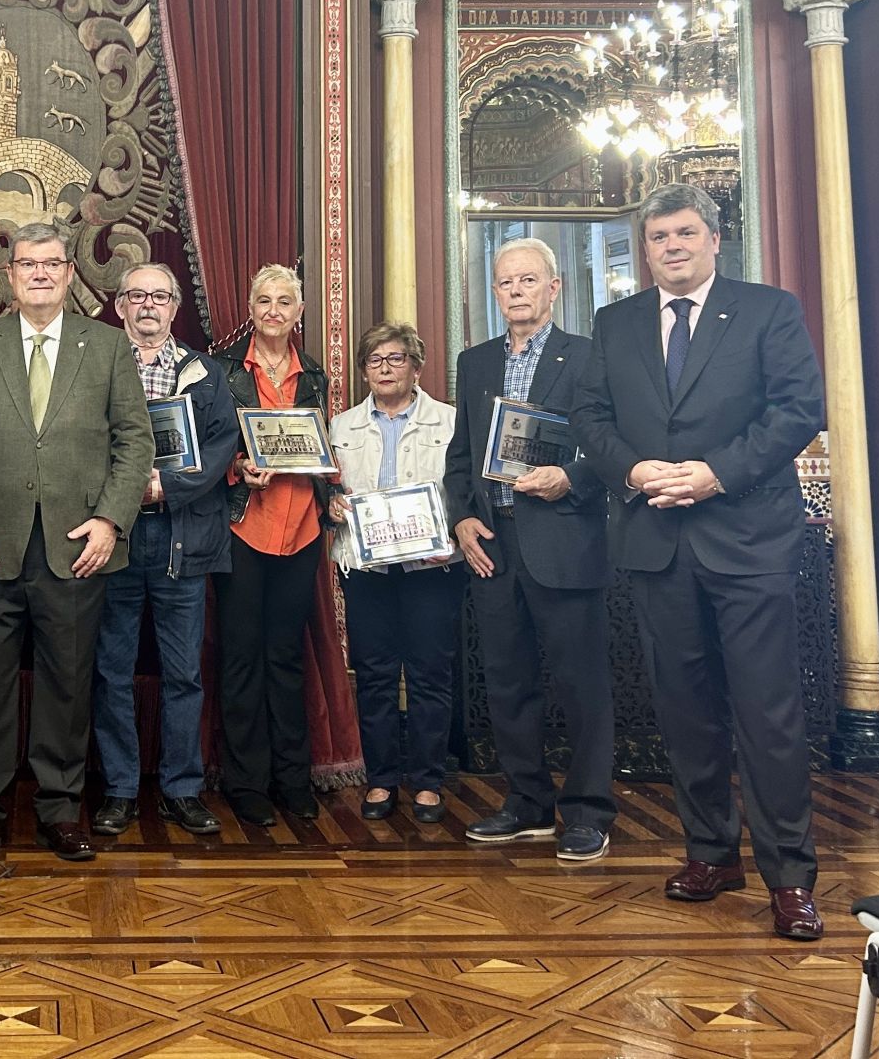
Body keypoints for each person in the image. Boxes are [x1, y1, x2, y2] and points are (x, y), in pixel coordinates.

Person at [572, 182, 826, 940]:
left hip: (747, 538)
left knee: (767, 713)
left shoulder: (768, 309)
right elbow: (590, 416)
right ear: (644, 249)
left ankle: (789, 877)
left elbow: (798, 410)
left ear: (714, 239)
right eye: (658, 237)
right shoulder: (614, 322)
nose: (672, 246)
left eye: (685, 232)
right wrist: (634, 469)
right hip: (655, 539)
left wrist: (715, 471)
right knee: (684, 711)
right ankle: (710, 852)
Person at [0, 221, 154, 868]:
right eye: (28, 263)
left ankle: (60, 810)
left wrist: (111, 521)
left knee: (67, 684)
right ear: (9, 275)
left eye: (52, 263)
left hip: (77, 545)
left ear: (70, 272)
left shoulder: (107, 347)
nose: (40, 273)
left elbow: (134, 442)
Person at [443, 238, 614, 863]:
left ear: (554, 287)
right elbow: (460, 457)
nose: (515, 291)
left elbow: (613, 449)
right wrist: (462, 520)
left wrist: (569, 477)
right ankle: (527, 804)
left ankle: (590, 810)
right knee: (508, 681)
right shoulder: (477, 361)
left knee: (581, 684)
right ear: (495, 292)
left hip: (564, 537)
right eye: (505, 282)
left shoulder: (591, 358)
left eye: (527, 280)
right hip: (494, 546)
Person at [90, 263, 239, 839]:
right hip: (115, 536)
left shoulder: (203, 372)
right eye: (137, 296)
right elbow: (78, 439)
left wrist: (165, 486)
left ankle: (181, 788)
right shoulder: (97, 361)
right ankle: (120, 789)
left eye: (159, 296)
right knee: (112, 671)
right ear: (120, 305)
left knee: (183, 674)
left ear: (175, 306)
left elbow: (223, 443)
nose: (148, 305)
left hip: (183, 535)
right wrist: (126, 491)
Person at [213, 265, 345, 828]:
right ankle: (247, 784)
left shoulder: (313, 376)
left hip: (302, 530)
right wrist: (237, 469)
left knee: (286, 659)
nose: (273, 310)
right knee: (242, 659)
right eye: (263, 300)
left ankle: (292, 780)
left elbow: (324, 447)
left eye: (284, 301)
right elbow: (207, 448)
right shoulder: (221, 372)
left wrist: (332, 483)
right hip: (245, 528)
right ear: (250, 306)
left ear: (300, 312)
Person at [329, 322, 462, 824]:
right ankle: (382, 780)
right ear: (364, 370)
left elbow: (462, 493)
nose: (385, 369)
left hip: (431, 568)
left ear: (416, 366)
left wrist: (448, 534)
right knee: (377, 676)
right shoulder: (341, 428)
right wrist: (333, 506)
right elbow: (327, 492)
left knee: (430, 674)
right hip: (367, 570)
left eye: (395, 359)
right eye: (375, 361)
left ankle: (427, 783)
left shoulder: (448, 422)